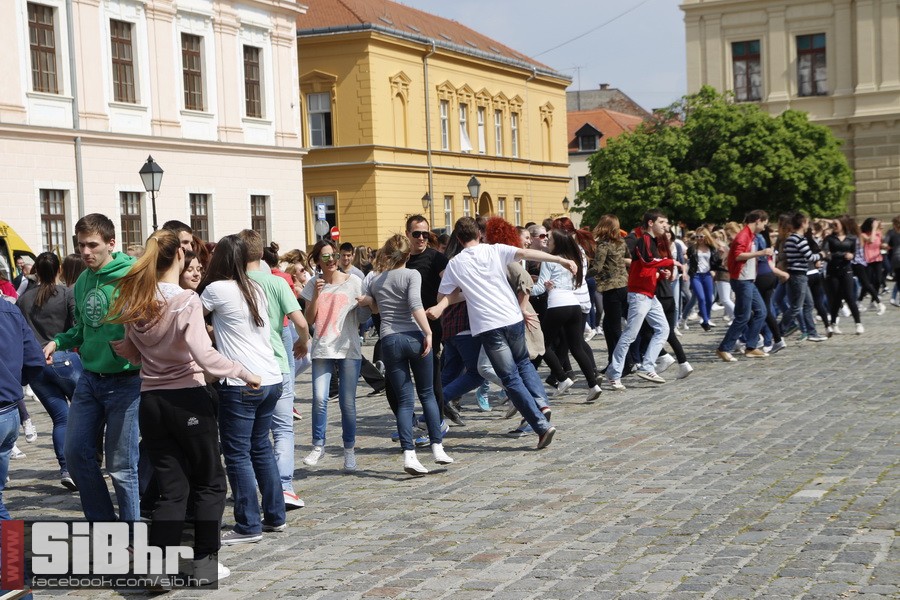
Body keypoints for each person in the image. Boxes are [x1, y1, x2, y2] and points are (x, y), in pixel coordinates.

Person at [109, 230, 262, 583]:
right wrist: (243, 372)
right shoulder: (184, 300)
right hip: (187, 398)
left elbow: (130, 353)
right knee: (210, 482)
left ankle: (157, 569)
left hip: (151, 402)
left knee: (172, 489)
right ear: (179, 256)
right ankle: (205, 564)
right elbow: (204, 355)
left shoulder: (137, 300)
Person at [429, 217, 574, 449]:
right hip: (513, 317)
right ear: (479, 234)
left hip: (488, 326)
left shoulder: (455, 263)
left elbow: (443, 297)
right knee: (523, 363)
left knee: (510, 377)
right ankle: (542, 404)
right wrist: (561, 260)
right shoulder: (495, 249)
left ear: (458, 238)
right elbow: (526, 254)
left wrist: (462, 296)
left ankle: (541, 425)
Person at [43, 213, 142, 522]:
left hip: (127, 382)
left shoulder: (132, 275)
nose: (85, 252)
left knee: (121, 466)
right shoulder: (83, 281)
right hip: (90, 379)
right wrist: (58, 341)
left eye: (92, 245)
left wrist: (135, 346)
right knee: (75, 454)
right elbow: (83, 329)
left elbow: (151, 323)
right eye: (80, 245)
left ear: (111, 243)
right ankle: (104, 526)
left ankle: (131, 533)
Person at [198, 235, 284, 545]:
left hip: (241, 382)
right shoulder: (254, 287)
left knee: (237, 454)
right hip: (270, 377)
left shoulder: (215, 289)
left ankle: (248, 524)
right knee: (261, 448)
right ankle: (275, 515)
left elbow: (190, 319)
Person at [361, 234, 452, 475]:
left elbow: (376, 309)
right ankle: (437, 447)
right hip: (413, 336)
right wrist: (428, 332)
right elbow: (415, 304)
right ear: (408, 254)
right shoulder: (412, 274)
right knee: (427, 394)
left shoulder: (377, 279)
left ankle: (409, 454)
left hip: (390, 339)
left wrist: (368, 301)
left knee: (404, 401)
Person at [238, 230, 310, 509]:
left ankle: (252, 487)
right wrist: (303, 342)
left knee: (250, 435)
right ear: (261, 253)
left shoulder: (233, 283)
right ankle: (285, 487)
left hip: (244, 367)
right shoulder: (277, 282)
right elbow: (300, 322)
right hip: (277, 362)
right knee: (282, 429)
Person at [300, 240, 368, 472]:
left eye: (334, 255)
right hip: (322, 346)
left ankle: (349, 450)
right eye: (326, 256)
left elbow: (366, 311)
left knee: (347, 403)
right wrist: (316, 294)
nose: (331, 260)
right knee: (320, 398)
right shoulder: (313, 283)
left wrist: (367, 305)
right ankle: (318, 445)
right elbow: (309, 319)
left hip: (348, 347)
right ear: (317, 261)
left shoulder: (354, 281)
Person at [16, 252, 82, 490]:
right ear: (59, 270)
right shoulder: (66, 293)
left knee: (61, 419)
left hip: (36, 366)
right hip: (64, 358)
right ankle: (85, 464)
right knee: (87, 413)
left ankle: (67, 469)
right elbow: (77, 326)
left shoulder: (24, 299)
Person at [604, 210, 676, 390]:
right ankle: (614, 373)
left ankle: (647, 367)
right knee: (630, 334)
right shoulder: (644, 239)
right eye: (661, 222)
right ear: (651, 223)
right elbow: (646, 262)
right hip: (639, 295)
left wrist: (661, 274)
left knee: (663, 329)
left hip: (649, 294)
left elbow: (645, 267)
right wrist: (669, 262)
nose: (665, 226)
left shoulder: (652, 241)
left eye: (665, 222)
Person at [531, 230, 602, 401]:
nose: (547, 240)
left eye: (549, 238)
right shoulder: (572, 258)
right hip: (574, 305)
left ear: (557, 242)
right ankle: (593, 385)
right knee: (576, 347)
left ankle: (562, 378)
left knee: (541, 345)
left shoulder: (550, 259)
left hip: (557, 306)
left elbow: (539, 289)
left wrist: (522, 288)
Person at [0, 298, 44, 520]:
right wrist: (13, 383)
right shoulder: (10, 310)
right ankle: (13, 542)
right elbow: (35, 360)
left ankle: (12, 542)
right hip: (9, 412)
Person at [716, 210, 772, 362]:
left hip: (748, 280)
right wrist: (761, 252)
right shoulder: (743, 235)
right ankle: (724, 348)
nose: (764, 227)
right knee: (743, 317)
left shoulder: (750, 235)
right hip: (742, 280)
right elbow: (738, 255)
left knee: (761, 312)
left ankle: (751, 347)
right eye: (764, 224)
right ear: (758, 220)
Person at [781, 212, 827, 342]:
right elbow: (809, 257)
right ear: (802, 224)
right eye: (807, 222)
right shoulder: (800, 239)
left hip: (799, 275)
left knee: (809, 304)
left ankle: (812, 332)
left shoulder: (791, 238)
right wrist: (822, 255)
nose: (808, 225)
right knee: (796, 307)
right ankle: (778, 331)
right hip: (798, 275)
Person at [593, 215, 629, 369]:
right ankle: (612, 361)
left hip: (611, 288)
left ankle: (626, 362)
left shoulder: (603, 245)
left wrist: (579, 272)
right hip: (624, 285)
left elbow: (597, 268)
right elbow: (627, 259)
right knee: (608, 327)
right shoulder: (621, 242)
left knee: (614, 329)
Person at [823, 215, 864, 334]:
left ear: (843, 224)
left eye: (836, 224)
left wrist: (851, 255)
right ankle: (834, 323)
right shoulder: (829, 238)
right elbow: (826, 253)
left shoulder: (852, 238)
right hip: (832, 271)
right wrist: (841, 255)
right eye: (833, 224)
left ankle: (858, 323)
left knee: (850, 297)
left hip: (846, 270)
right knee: (836, 298)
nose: (834, 226)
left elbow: (854, 253)